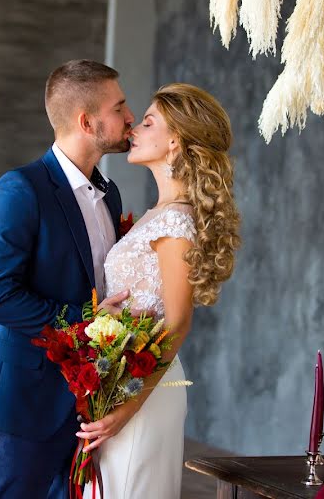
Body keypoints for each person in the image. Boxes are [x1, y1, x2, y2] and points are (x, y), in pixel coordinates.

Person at [0, 59, 136, 498]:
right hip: (24, 403)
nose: (131, 117)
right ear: (86, 121)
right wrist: (86, 318)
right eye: (119, 107)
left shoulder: (110, 194)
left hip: (85, 407)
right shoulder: (20, 189)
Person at [79, 83, 241, 498]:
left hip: (145, 393)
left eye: (148, 122)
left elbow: (178, 321)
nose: (134, 127)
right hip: (126, 381)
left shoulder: (176, 225)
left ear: (175, 141)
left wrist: (129, 407)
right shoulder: (158, 216)